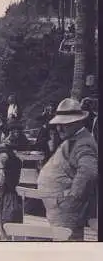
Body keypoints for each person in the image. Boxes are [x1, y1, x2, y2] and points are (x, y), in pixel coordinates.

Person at [37, 98, 98, 240]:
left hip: (67, 212)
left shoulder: (83, 143)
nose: (59, 128)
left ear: (78, 122)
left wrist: (71, 198)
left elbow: (88, 172)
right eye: (58, 124)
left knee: (68, 247)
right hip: (60, 210)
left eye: (64, 124)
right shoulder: (75, 139)